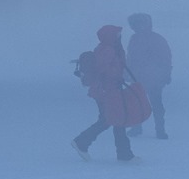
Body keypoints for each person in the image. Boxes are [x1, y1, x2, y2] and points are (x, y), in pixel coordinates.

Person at [73, 24, 143, 162]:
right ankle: (82, 142)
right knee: (109, 120)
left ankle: (124, 154)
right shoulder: (108, 50)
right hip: (105, 91)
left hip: (108, 90)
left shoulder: (109, 49)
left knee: (117, 120)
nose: (119, 36)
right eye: (117, 34)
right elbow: (103, 70)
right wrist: (117, 77)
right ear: (110, 36)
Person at [126, 12, 173, 140]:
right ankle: (137, 127)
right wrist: (127, 72)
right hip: (137, 77)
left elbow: (166, 58)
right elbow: (130, 58)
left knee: (156, 104)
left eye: (138, 24)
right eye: (134, 24)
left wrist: (166, 74)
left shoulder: (157, 39)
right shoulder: (134, 39)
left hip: (155, 78)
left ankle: (160, 130)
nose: (136, 27)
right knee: (136, 103)